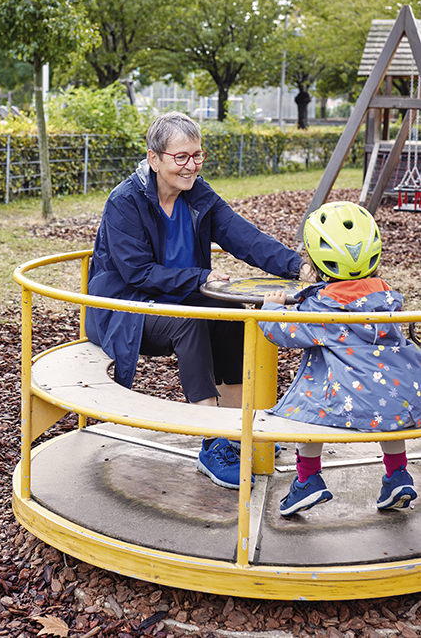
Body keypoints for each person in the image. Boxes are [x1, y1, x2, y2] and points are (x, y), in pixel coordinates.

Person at [85, 111, 312, 489]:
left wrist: (298, 267)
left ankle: (239, 430)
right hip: (126, 308)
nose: (191, 166)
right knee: (189, 319)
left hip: (178, 296)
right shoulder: (125, 201)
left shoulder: (198, 195)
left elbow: (244, 237)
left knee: (230, 313)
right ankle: (212, 442)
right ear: (154, 159)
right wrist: (201, 276)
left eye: (197, 155)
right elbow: (136, 273)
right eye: (181, 157)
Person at [259, 200, 421, 516]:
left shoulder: (322, 308)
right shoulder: (387, 297)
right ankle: (398, 474)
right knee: (389, 400)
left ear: (317, 264)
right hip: (402, 396)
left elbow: (284, 332)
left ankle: (308, 480)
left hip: (349, 401)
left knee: (309, 404)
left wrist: (271, 309)